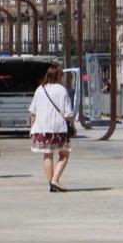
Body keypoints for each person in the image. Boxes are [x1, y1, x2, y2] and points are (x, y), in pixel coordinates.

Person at [29, 64, 74, 193]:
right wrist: (73, 126)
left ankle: (51, 183)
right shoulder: (62, 90)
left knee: (47, 155)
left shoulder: (39, 89)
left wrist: (32, 128)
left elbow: (33, 112)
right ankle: (55, 180)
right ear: (58, 76)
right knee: (64, 154)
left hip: (42, 127)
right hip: (58, 127)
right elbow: (68, 113)